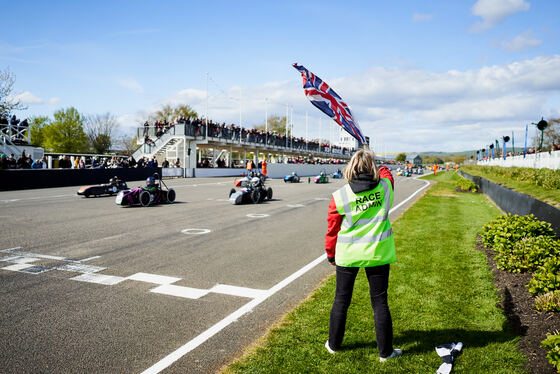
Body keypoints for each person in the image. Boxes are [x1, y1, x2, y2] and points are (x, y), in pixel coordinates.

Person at [324, 148, 402, 362]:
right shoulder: (386, 187)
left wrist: (330, 254)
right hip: (377, 253)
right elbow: (386, 173)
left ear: (350, 168)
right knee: (379, 303)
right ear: (373, 168)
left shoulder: (339, 196)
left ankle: (334, 345)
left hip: (348, 254)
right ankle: (385, 353)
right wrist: (376, 163)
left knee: (341, 300)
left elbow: (332, 229)